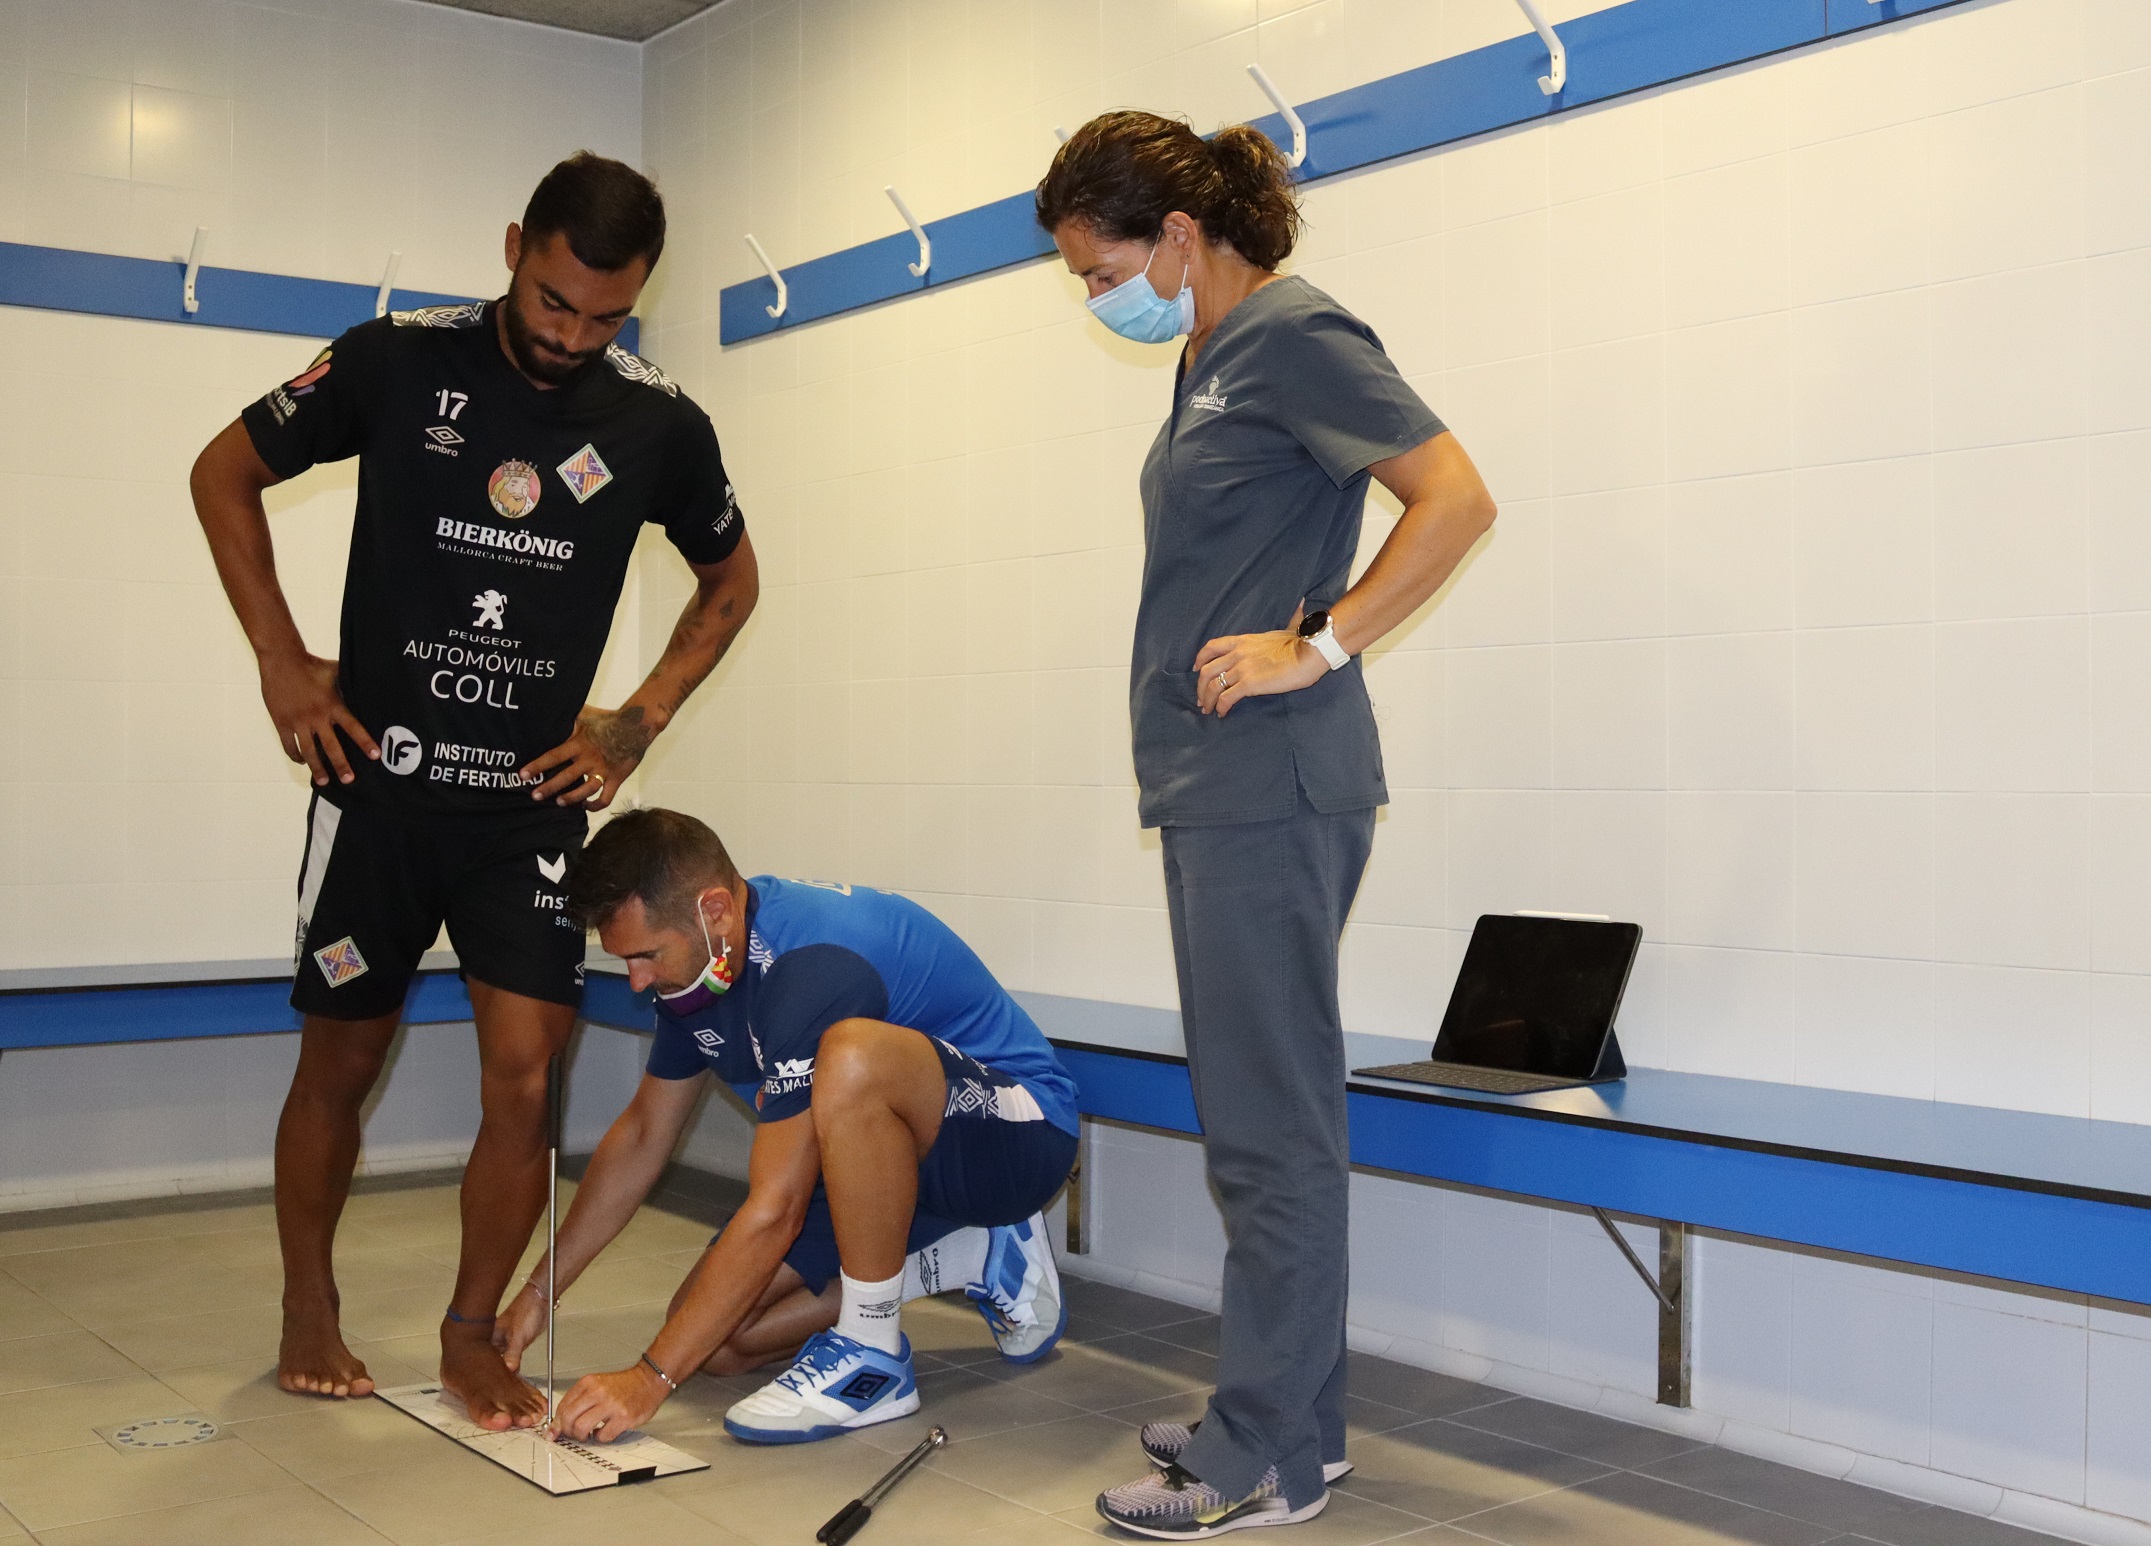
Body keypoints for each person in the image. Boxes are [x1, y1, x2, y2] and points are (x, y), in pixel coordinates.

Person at [189, 153, 760, 1430]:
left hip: (526, 816)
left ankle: (470, 1332)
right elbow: (221, 471)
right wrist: (282, 659)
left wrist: (636, 720)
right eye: (555, 301)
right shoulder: (396, 360)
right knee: (340, 1059)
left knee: (525, 1073)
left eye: (607, 316)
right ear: (514, 246)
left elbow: (732, 582)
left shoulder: (659, 424)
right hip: (374, 791)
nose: (573, 336)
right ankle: (308, 1304)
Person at [1035, 113, 1498, 1538]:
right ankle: (1299, 1417)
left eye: (1095, 266)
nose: (1090, 294)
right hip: (1216, 785)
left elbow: (1455, 498)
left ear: (1177, 236)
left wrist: (1323, 643)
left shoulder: (1294, 334)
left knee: (1265, 1128)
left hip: (1271, 785)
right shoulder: (1207, 353)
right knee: (1260, 1110)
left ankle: (1263, 1456)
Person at [508, 808, 1077, 1444]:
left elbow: (776, 1208)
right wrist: (537, 1295)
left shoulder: (812, 964)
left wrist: (649, 1379)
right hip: (892, 1167)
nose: (638, 982)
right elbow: (643, 1135)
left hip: (1016, 1135)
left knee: (852, 1057)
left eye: (647, 956)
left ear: (714, 910)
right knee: (719, 1339)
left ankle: (873, 1350)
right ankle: (973, 1253)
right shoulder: (703, 967)